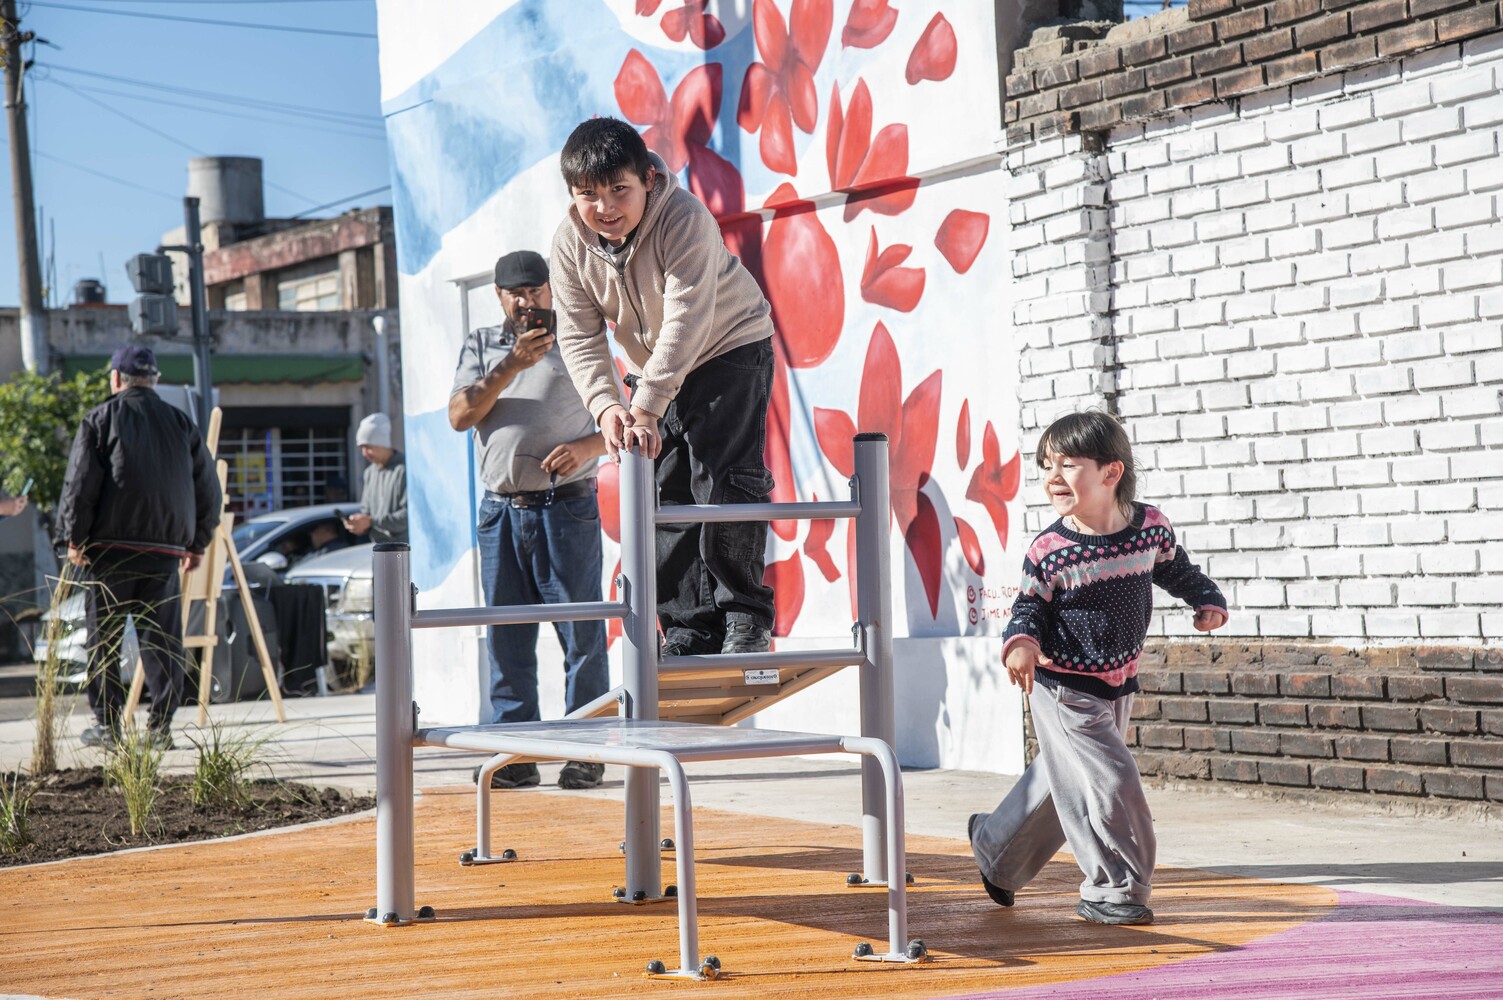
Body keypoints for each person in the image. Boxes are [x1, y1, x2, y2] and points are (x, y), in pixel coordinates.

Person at [968, 410, 1227, 927]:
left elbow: (1175, 569)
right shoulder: (1051, 550)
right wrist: (1021, 643)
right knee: (1111, 781)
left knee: (1063, 780)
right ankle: (1114, 889)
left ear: (1111, 473)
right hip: (1063, 687)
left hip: (1117, 681)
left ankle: (996, 849)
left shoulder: (1149, 528)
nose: (1052, 477)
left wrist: (1205, 599)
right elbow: (1029, 608)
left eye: (1067, 465)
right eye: (1046, 466)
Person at [549, 116, 777, 658]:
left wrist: (648, 406)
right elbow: (578, 334)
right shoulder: (569, 245)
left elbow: (687, 318)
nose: (605, 207)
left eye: (618, 190)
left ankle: (744, 618)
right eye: (589, 195)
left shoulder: (683, 217)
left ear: (647, 180)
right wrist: (607, 406)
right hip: (654, 369)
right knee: (666, 492)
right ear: (572, 195)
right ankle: (688, 627)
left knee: (722, 480)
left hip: (728, 346)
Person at [449, 250, 610, 790]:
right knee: (507, 638)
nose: (527, 302)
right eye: (515, 294)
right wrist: (512, 365)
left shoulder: (582, 338)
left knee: (581, 635)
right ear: (498, 296)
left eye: (535, 291)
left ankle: (585, 750)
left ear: (550, 289)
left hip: (566, 506)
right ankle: (516, 755)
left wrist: (584, 448)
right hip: (499, 512)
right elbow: (460, 415)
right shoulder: (481, 345)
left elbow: (622, 418)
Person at [56, 344, 222, 749]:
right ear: (155, 380)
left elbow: (80, 485)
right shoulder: (182, 423)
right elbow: (209, 490)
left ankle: (109, 727)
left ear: (116, 378)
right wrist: (198, 543)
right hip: (165, 552)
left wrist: (73, 537)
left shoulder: (100, 419)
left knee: (104, 640)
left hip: (109, 552)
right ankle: (160, 730)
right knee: (162, 641)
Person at [343, 413, 408, 545]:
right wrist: (359, 523)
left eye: (368, 447)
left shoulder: (405, 470)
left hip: (403, 549)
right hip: (379, 548)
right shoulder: (369, 473)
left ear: (383, 444)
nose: (364, 453)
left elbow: (409, 516)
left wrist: (371, 521)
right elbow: (367, 511)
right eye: (362, 448)